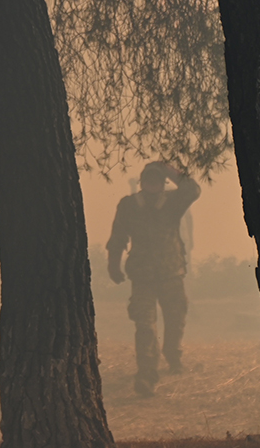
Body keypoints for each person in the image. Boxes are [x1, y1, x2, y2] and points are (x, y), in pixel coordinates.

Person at [106, 161, 201, 397]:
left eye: (157, 179)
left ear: (163, 183)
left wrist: (169, 168)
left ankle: (173, 356)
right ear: (141, 182)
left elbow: (193, 190)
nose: (152, 183)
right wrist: (113, 264)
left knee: (175, 318)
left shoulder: (172, 202)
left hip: (171, 273)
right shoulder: (128, 206)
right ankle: (146, 375)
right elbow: (118, 236)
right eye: (148, 179)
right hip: (143, 276)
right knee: (145, 324)